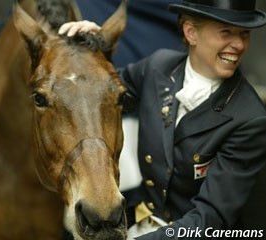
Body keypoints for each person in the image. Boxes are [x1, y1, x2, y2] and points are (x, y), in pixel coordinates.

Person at [59, 0, 266, 239]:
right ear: (191, 32)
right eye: (226, 32)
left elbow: (211, 217)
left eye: (244, 34)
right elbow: (99, 98)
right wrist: (93, 49)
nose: (239, 44)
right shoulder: (158, 67)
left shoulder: (250, 119)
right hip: (140, 214)